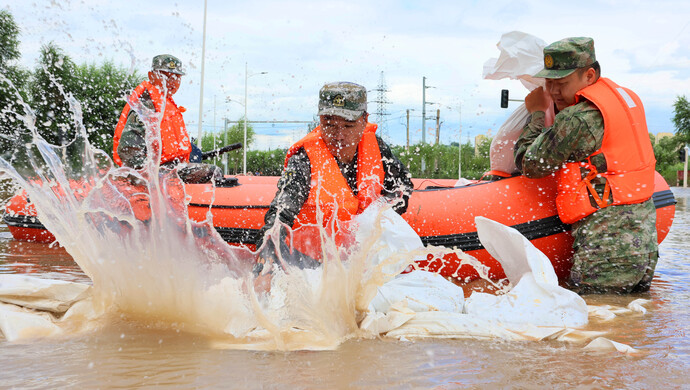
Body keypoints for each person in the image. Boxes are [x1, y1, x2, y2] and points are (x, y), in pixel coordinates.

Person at [514, 37, 658, 294]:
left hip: (607, 249)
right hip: (644, 246)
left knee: (591, 322)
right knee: (626, 323)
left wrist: (536, 112)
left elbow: (530, 163)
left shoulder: (578, 118)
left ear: (589, 75)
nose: (553, 92)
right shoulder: (626, 99)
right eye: (549, 83)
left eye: (561, 84)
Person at [253, 82, 413, 277]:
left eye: (348, 126)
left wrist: (376, 217)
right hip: (309, 263)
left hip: (361, 259)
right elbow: (281, 212)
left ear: (364, 120)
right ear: (320, 120)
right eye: (330, 125)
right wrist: (269, 248)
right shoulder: (304, 159)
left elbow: (403, 187)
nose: (339, 135)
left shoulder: (377, 147)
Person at [112, 54, 221, 184]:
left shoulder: (164, 102)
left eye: (176, 77)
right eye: (165, 76)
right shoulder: (146, 105)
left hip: (167, 168)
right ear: (151, 76)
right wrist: (146, 176)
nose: (172, 82)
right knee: (214, 172)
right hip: (153, 173)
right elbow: (128, 148)